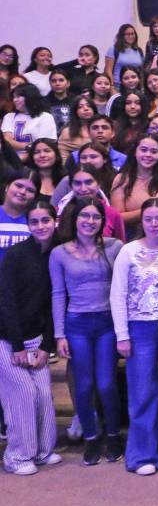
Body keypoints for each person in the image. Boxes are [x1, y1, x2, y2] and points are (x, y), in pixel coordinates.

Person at [110, 199, 158, 475]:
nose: (154, 224)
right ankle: (142, 454)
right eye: (148, 219)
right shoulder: (129, 251)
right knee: (142, 391)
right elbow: (117, 293)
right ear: (141, 222)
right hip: (138, 328)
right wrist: (122, 334)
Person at [51, 197, 124, 466]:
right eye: (85, 216)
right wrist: (59, 334)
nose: (90, 221)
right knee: (84, 386)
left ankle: (114, 435)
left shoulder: (115, 247)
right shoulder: (60, 253)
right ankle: (92, 437)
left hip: (107, 323)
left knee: (106, 384)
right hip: (77, 324)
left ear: (103, 222)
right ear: (75, 218)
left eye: (96, 217)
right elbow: (58, 294)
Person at [0, 201, 60, 475]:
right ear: (28, 226)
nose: (40, 227)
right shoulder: (15, 255)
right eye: (34, 222)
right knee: (23, 393)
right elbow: (7, 301)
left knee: (43, 395)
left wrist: (47, 346)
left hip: (38, 339)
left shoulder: (56, 256)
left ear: (55, 221)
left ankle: (42, 451)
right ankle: (17, 457)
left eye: (45, 220)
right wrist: (18, 346)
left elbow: (53, 305)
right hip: (8, 338)